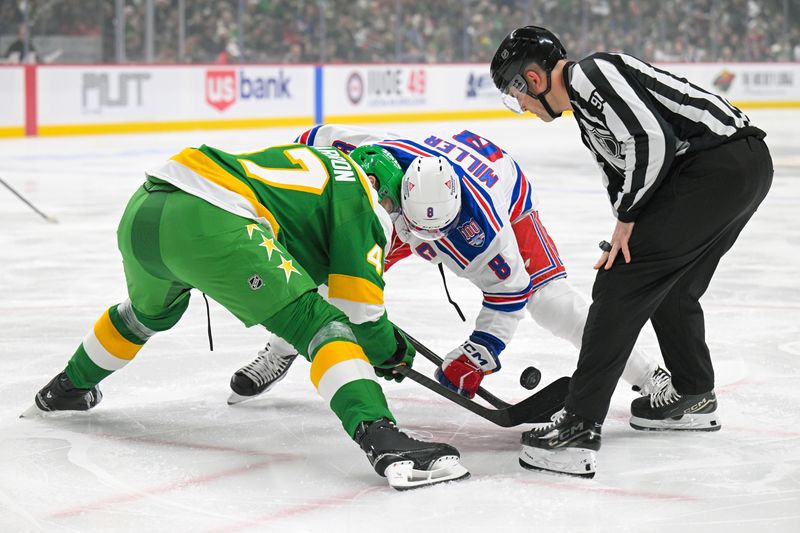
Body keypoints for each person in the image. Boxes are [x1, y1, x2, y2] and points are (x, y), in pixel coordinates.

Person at [24, 142, 469, 490]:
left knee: (145, 316)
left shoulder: (324, 168)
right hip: (209, 221)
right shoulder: (366, 200)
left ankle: (66, 388)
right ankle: (383, 438)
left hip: (145, 208)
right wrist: (391, 350)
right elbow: (360, 316)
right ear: (387, 190)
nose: (397, 224)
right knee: (319, 325)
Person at [228, 123, 674, 411]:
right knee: (331, 276)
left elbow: (509, 291)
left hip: (503, 190)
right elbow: (311, 140)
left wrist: (480, 353)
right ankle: (281, 350)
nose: (423, 246)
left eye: (433, 236)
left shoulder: (480, 227)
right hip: (400, 208)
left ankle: (650, 376)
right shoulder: (364, 154)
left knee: (550, 301)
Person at [490, 26, 773, 477]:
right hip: (736, 169)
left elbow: (650, 140)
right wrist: (625, 229)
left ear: (534, 79)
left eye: (515, 93)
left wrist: (628, 220)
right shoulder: (586, 113)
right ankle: (694, 395)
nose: (521, 106)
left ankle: (578, 429)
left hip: (716, 166)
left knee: (618, 288)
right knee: (673, 288)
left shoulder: (589, 74)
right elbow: (623, 177)